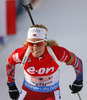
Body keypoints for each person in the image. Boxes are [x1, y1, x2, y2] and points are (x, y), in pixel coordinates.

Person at [6, 24, 83, 100]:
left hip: (51, 93)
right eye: (31, 43)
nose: (35, 48)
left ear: (45, 42)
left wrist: (79, 80)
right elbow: (9, 63)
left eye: (39, 43)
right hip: (29, 92)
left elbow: (77, 62)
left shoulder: (56, 52)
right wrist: (11, 85)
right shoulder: (22, 54)